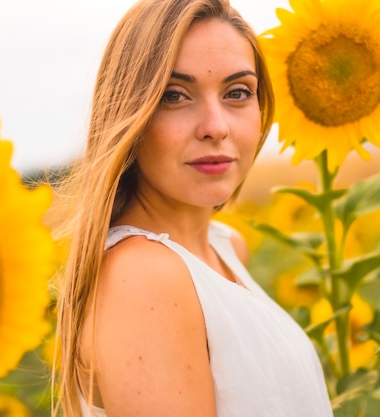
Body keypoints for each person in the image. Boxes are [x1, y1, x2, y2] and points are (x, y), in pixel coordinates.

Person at [52, 0, 334, 416]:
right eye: (174, 96)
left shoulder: (225, 247)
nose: (215, 126)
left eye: (238, 92)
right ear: (129, 114)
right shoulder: (144, 276)